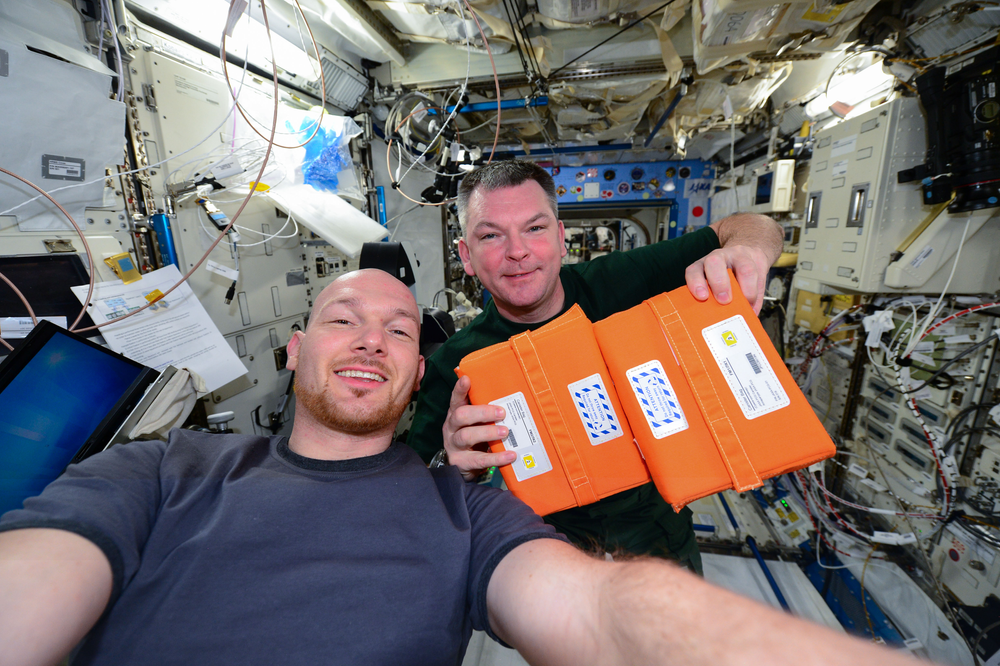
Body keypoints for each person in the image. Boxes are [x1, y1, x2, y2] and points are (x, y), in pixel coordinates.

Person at [0, 269, 923, 666]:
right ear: (292, 349)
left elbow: (602, 617)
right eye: (343, 319)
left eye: (400, 330)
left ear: (419, 370)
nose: (371, 340)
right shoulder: (165, 471)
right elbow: (36, 578)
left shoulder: (465, 515)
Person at [406, 160, 784, 573]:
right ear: (467, 256)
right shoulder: (456, 367)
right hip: (548, 553)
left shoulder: (620, 285)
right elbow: (418, 496)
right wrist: (453, 467)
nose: (518, 251)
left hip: (659, 544)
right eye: (491, 235)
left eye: (535, 228)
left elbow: (750, 225)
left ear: (561, 237)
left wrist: (748, 252)